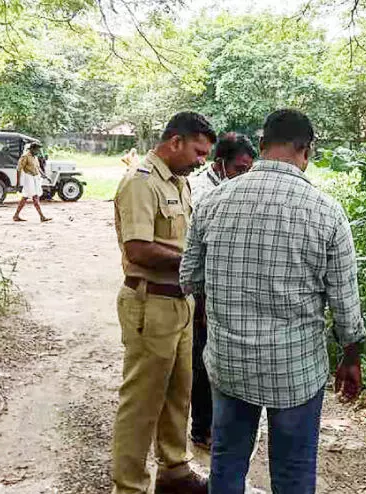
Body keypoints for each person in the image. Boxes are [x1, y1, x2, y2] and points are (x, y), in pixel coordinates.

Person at [180, 109, 366, 494]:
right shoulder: (327, 212)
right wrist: (351, 358)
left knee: (227, 461)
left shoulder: (214, 202)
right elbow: (345, 303)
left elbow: (190, 278)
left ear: (262, 146)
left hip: (230, 362)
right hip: (295, 370)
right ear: (306, 151)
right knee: (294, 470)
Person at [112, 111, 216, 494]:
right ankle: (129, 485)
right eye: (198, 151)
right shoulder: (141, 183)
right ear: (175, 142)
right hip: (150, 303)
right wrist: (194, 260)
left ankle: (174, 470)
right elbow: (138, 249)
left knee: (178, 393)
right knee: (142, 401)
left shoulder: (179, 182)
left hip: (179, 303)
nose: (201, 160)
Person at [186, 131, 257, 450]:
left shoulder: (235, 188)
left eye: (249, 169)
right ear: (220, 165)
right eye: (240, 168)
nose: (245, 175)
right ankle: (202, 429)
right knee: (202, 359)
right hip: (204, 289)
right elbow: (195, 254)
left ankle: (221, 424)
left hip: (231, 287)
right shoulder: (202, 192)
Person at [13, 142, 51, 222]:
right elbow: (19, 169)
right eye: (37, 149)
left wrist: (44, 176)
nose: (38, 151)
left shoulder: (35, 157)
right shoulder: (25, 157)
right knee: (35, 197)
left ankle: (16, 215)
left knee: (25, 197)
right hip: (29, 178)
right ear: (32, 149)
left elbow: (38, 168)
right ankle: (42, 216)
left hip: (35, 178)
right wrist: (18, 183)